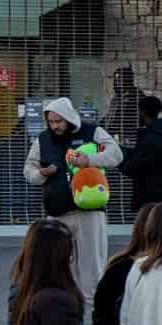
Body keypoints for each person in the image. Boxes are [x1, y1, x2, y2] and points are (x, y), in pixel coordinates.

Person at [29, 96, 121, 304]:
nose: (55, 126)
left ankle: (95, 305)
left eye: (59, 121)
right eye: (51, 122)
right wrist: (41, 173)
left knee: (92, 263)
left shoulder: (93, 132)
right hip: (58, 211)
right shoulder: (42, 140)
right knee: (59, 263)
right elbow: (29, 169)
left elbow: (116, 155)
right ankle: (65, 305)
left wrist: (90, 160)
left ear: (69, 117)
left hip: (90, 210)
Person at [117, 93, 162, 209]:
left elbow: (134, 167)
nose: (136, 115)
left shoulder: (151, 139)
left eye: (138, 111)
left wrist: (116, 157)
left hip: (150, 200)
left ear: (143, 112)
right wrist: (123, 150)